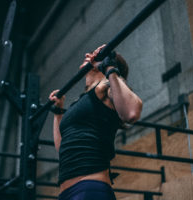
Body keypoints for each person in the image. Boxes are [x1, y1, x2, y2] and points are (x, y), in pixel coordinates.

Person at [49, 44, 143, 200]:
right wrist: (58, 112)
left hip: (89, 189)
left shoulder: (106, 86)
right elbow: (62, 148)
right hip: (66, 193)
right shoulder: (80, 101)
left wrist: (109, 68)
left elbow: (132, 113)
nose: (87, 54)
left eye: (93, 54)